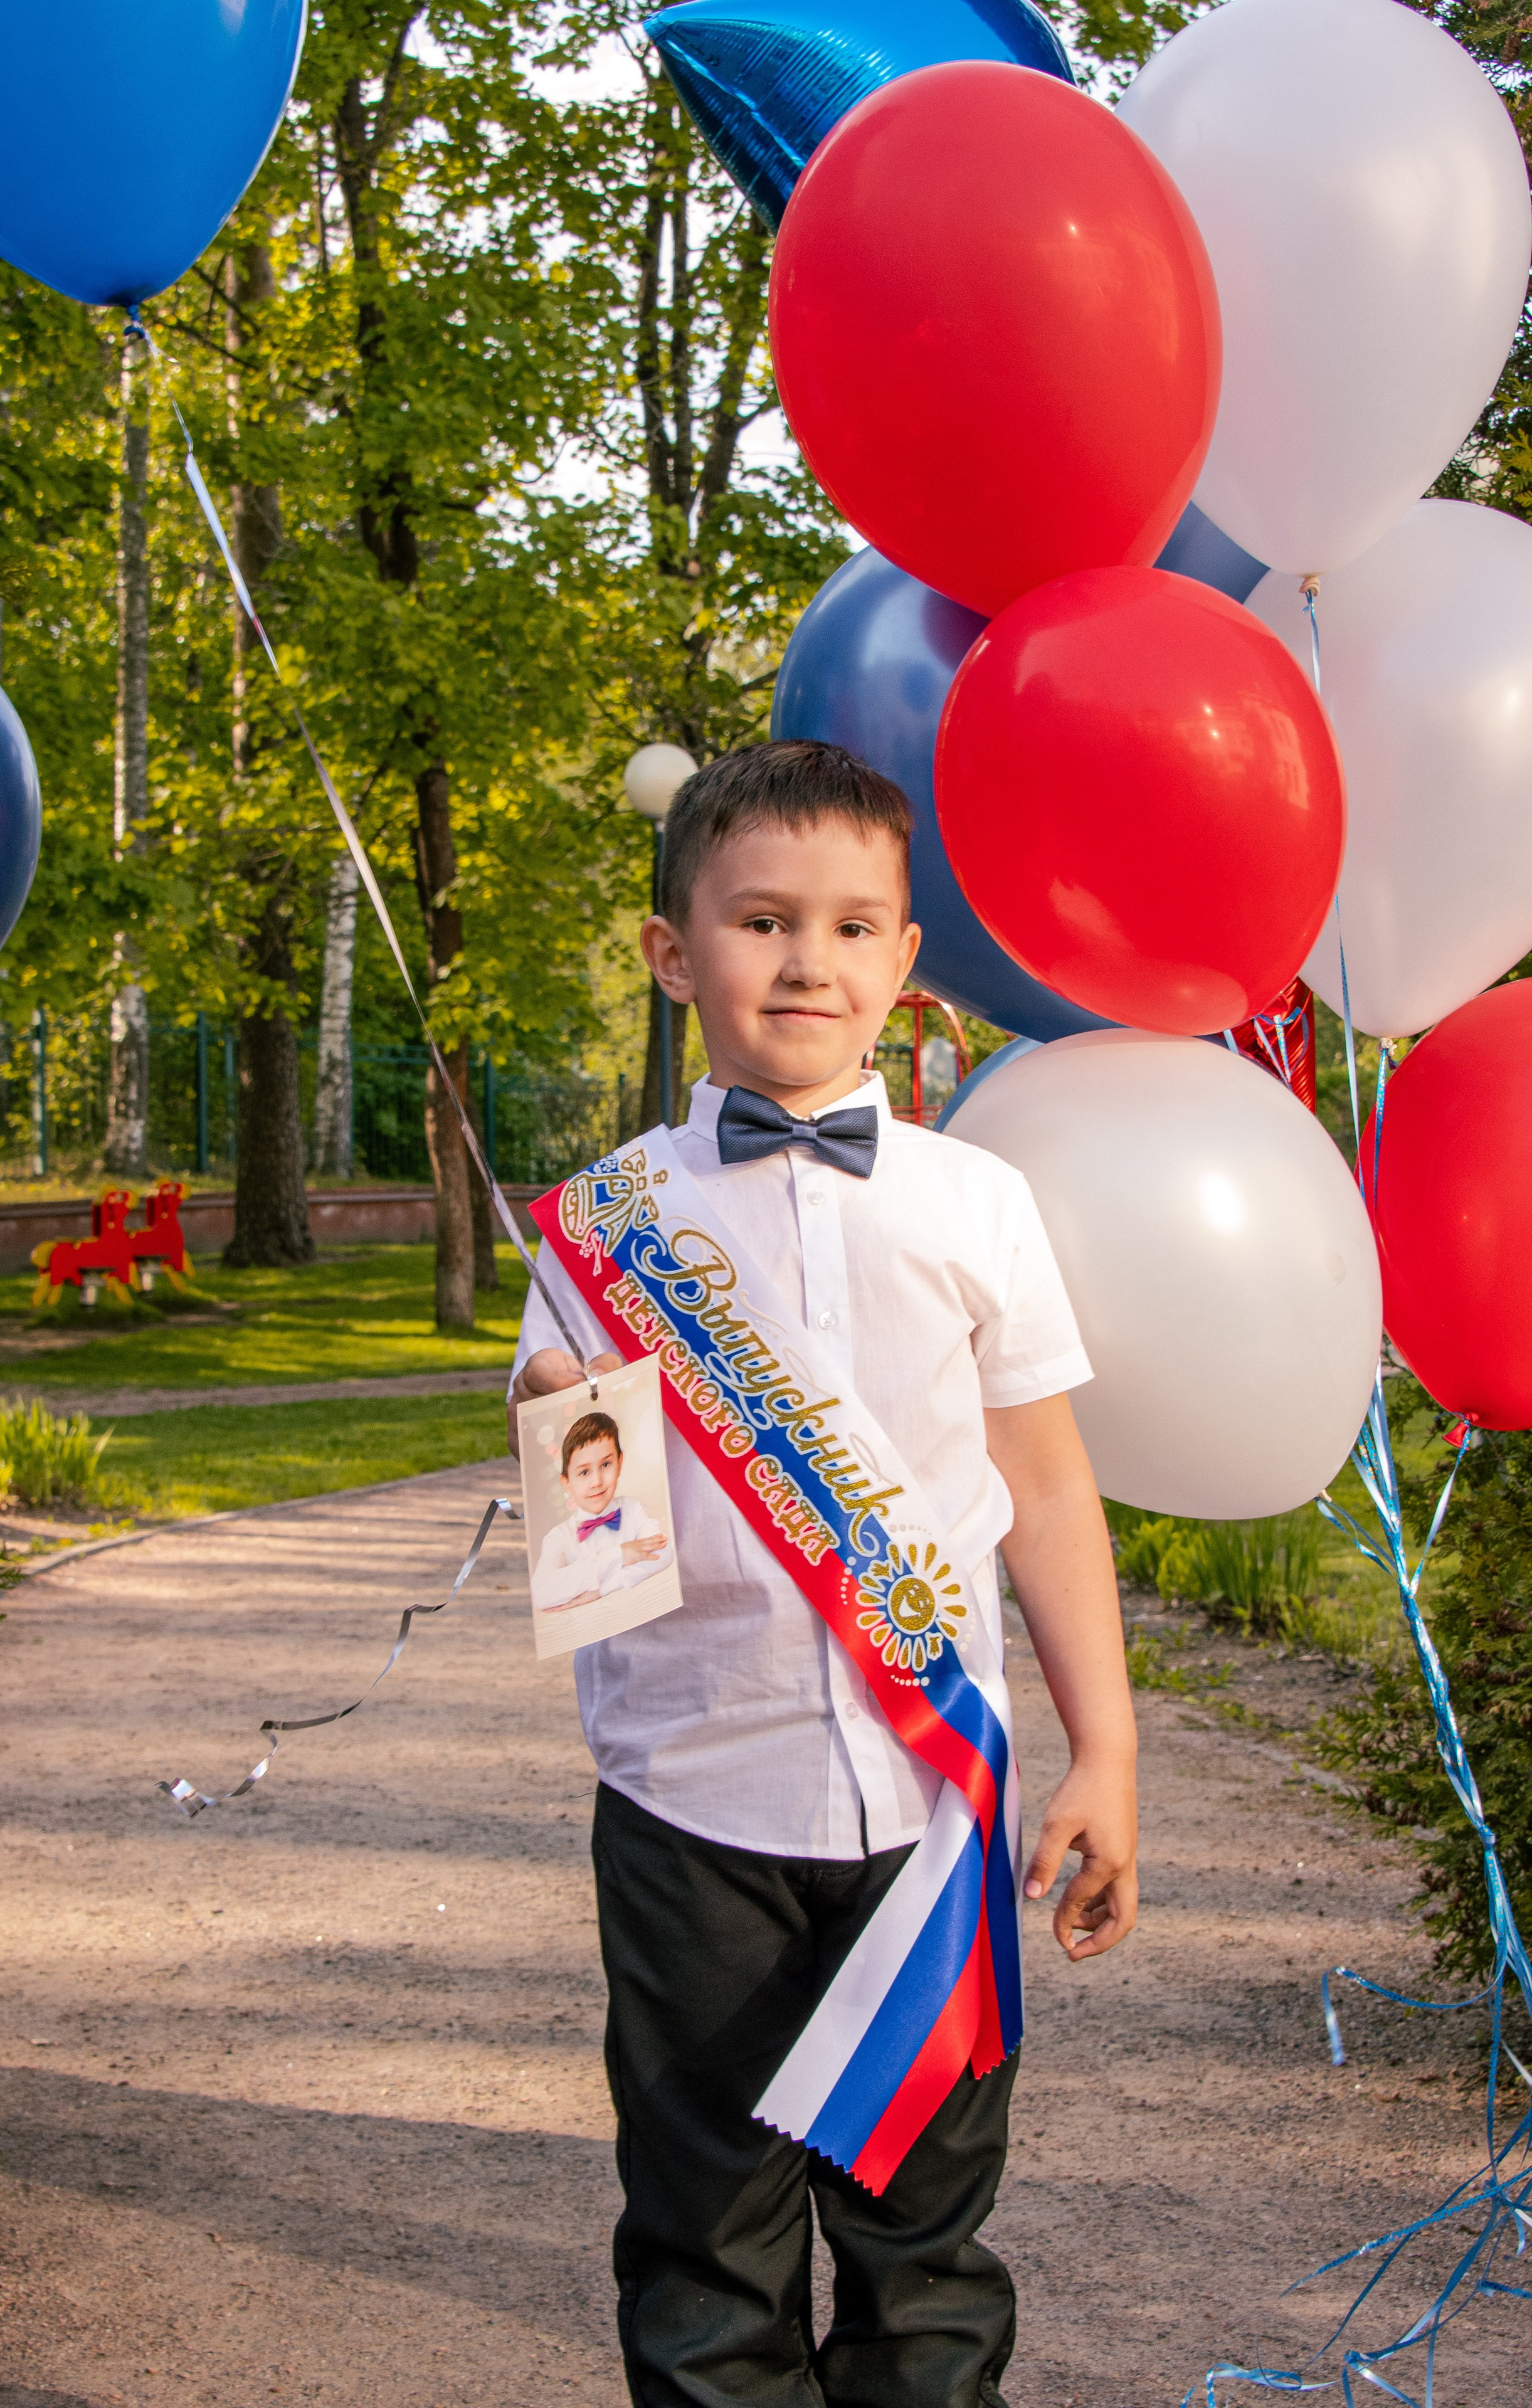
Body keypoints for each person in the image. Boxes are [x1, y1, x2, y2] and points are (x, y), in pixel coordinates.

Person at [509, 739, 1137, 2408]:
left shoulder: (979, 1203)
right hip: (693, 1803)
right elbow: (597, 1572)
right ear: (672, 952)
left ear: (905, 962)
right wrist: (566, 1435)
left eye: (856, 927)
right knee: (709, 2243)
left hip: (934, 1822)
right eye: (764, 919)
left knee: (926, 2247)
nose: (810, 960)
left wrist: (1112, 1753)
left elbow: (1051, 1490)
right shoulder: (600, 1231)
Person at [532, 1407, 674, 1613]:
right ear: (567, 1482)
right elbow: (542, 1593)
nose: (597, 1481)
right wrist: (620, 1555)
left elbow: (664, 1553)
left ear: (620, 1463)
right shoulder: (559, 1537)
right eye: (584, 1472)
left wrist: (601, 1590)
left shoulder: (634, 1510)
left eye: (606, 1464)